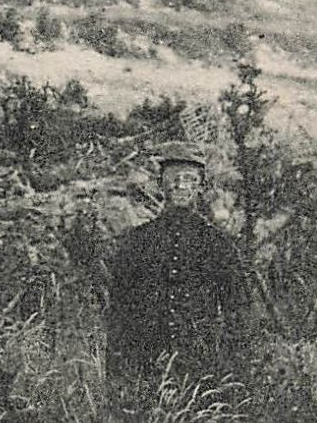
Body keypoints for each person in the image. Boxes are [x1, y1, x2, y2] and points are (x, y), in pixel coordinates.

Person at [105, 140, 254, 380]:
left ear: (201, 186)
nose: (180, 185)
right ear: (160, 183)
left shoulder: (218, 244)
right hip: (146, 367)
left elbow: (238, 312)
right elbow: (118, 314)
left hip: (201, 370)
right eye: (173, 177)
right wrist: (121, 372)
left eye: (190, 178)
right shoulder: (137, 241)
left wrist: (228, 370)